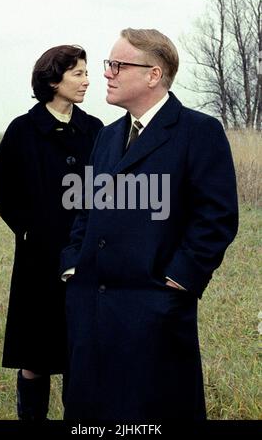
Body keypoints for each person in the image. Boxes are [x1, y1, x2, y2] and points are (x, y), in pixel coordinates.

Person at [60, 28, 239, 421]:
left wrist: (178, 280)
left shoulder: (199, 132)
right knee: (90, 415)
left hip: (154, 309)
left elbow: (218, 217)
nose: (107, 73)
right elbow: (85, 210)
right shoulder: (106, 138)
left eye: (117, 65)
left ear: (153, 75)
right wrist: (73, 263)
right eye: (109, 64)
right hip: (92, 306)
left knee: (155, 411)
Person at [0, 44, 103, 420]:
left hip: (85, 257)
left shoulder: (95, 130)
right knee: (35, 355)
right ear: (54, 80)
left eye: (86, 73)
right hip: (38, 260)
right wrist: (27, 228)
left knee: (78, 353)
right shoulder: (24, 129)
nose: (87, 80)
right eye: (79, 73)